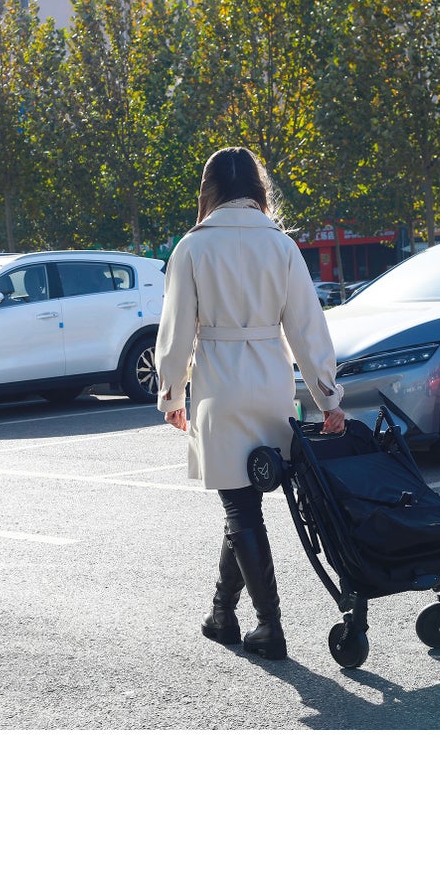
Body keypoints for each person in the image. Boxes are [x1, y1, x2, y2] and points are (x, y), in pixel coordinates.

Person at [155, 146, 345, 661]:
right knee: (246, 505)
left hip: (219, 385)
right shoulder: (281, 246)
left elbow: (174, 334)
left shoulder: (192, 248)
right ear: (257, 187)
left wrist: (171, 393)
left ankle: (270, 627)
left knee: (240, 506)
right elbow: (308, 328)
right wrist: (327, 395)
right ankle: (223, 613)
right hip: (271, 383)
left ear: (209, 188)